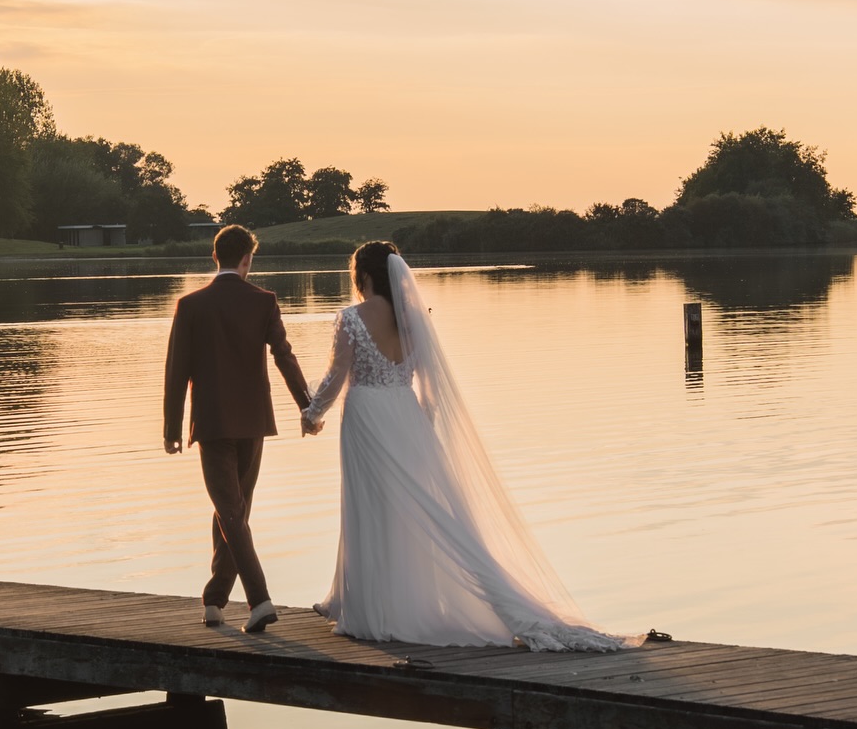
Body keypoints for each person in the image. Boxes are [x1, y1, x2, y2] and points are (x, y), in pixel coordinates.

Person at [301, 241, 638, 650]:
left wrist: (312, 413)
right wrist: (421, 426)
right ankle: (347, 597)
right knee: (406, 510)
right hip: (406, 417)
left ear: (364, 276)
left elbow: (337, 376)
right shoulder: (414, 320)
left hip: (367, 415)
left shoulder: (351, 318)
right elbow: (433, 390)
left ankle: (370, 609)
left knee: (368, 504)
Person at [163, 224, 313, 635]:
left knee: (231, 512)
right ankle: (215, 600)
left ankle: (258, 600)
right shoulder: (263, 301)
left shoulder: (191, 305)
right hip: (252, 423)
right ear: (247, 259)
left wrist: (171, 426)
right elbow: (284, 355)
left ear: (216, 257)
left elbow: (177, 370)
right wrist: (307, 405)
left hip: (211, 424)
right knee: (233, 511)